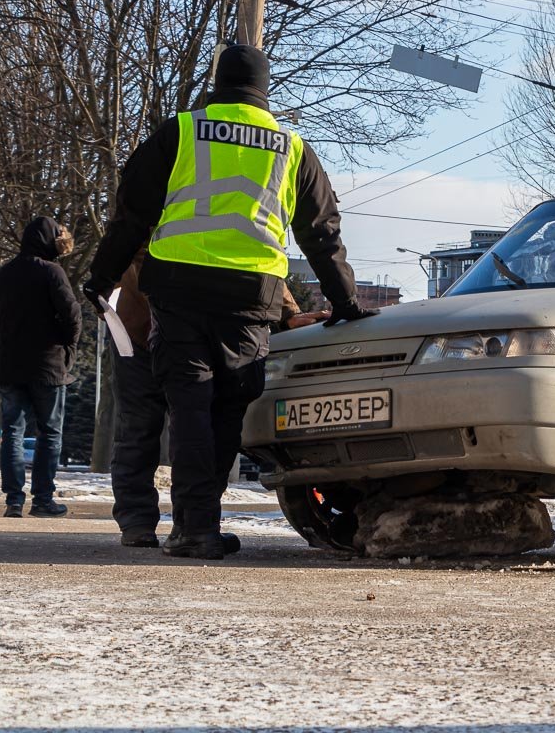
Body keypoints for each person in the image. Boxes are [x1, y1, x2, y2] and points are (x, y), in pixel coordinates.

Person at [85, 44, 376, 559]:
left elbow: (130, 215)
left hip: (178, 288)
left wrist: (101, 276)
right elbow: (322, 234)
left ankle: (195, 527)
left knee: (190, 405)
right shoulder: (292, 148)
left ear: (217, 83)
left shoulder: (181, 131)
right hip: (251, 296)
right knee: (226, 411)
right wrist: (346, 302)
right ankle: (200, 523)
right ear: (265, 90)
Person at [110, 248, 329, 549]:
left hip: (193, 331)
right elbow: (131, 248)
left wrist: (289, 312)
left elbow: (260, 259)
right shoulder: (160, 208)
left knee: (201, 426)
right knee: (141, 425)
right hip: (144, 330)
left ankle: (194, 522)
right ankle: (138, 521)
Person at [0, 217, 82, 518]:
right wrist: (68, 350)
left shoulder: (5, 273)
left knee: (12, 432)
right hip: (47, 365)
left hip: (9, 366)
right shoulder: (52, 272)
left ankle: (13, 501)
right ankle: (43, 500)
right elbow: (73, 315)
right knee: (49, 432)